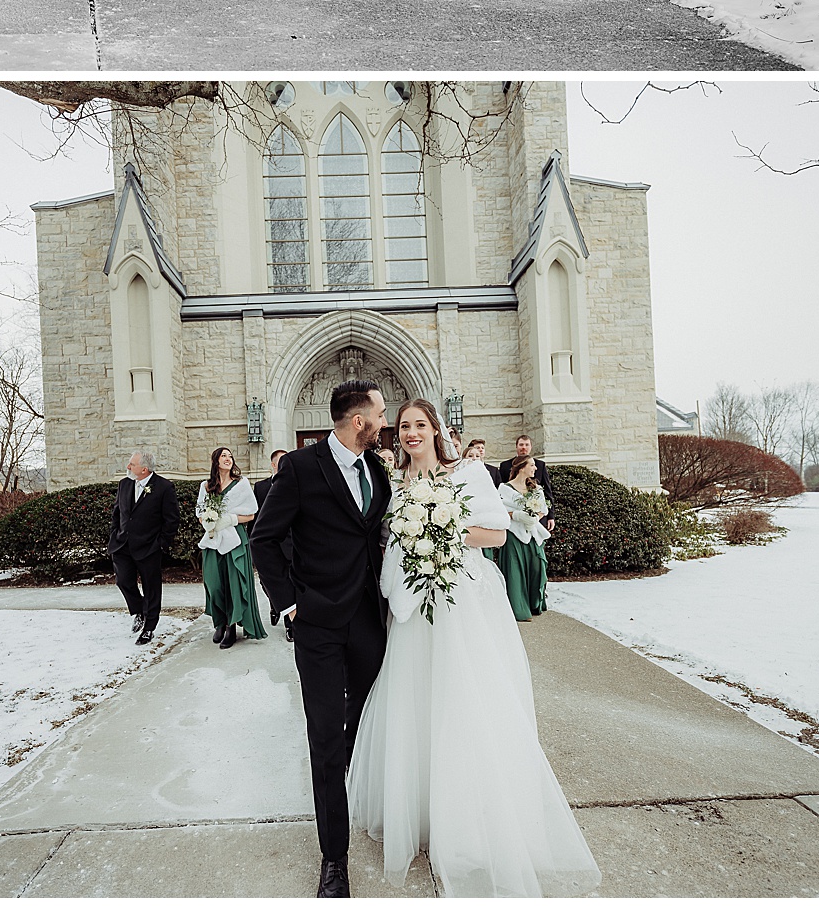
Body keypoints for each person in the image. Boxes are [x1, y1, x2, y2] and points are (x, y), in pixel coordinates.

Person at [346, 398, 598, 896]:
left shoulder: (468, 472)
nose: (411, 433)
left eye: (420, 425)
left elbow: (497, 535)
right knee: (416, 703)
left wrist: (442, 528)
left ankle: (467, 817)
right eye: (404, 426)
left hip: (461, 604)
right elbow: (389, 543)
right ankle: (420, 810)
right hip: (413, 609)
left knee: (463, 701)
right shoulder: (394, 485)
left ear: (436, 429)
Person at [250, 380, 394, 900]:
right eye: (381, 413)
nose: (385, 421)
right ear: (359, 421)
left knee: (365, 723)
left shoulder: (378, 470)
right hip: (318, 627)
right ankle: (334, 859)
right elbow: (263, 539)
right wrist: (290, 603)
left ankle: (348, 782)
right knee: (326, 737)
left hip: (371, 622)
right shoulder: (300, 468)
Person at [196, 446, 266, 649]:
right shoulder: (206, 486)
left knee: (233, 583)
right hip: (213, 539)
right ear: (215, 461)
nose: (228, 459)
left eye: (230, 456)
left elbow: (251, 514)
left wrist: (230, 519)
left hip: (235, 539)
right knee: (214, 583)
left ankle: (231, 627)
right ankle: (219, 621)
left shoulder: (241, 484)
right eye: (223, 456)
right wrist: (209, 522)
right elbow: (200, 513)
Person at [109, 450, 180, 646]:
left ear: (144, 469)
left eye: (132, 464)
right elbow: (117, 513)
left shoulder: (164, 487)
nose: (128, 467)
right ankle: (139, 610)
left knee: (152, 588)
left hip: (149, 547)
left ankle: (149, 627)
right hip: (122, 545)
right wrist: (115, 534)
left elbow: (172, 520)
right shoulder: (124, 484)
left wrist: (161, 544)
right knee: (123, 581)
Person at [494, 452, 552, 622]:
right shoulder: (504, 489)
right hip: (513, 534)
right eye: (532, 465)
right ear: (521, 468)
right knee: (515, 570)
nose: (535, 468)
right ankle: (518, 608)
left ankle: (534, 603)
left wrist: (534, 517)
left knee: (537, 567)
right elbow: (499, 511)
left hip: (532, 533)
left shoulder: (536, 489)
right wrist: (517, 515)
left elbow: (543, 509)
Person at [253, 449, 295, 636]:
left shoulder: (296, 483)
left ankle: (290, 625)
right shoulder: (260, 487)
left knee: (290, 581)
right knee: (266, 581)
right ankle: (274, 604)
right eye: (281, 461)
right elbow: (256, 518)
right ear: (273, 464)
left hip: (290, 543)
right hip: (268, 544)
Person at [496, 436, 555, 539]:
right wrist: (517, 515)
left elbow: (547, 491)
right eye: (521, 444)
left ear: (531, 447)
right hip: (513, 523)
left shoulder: (540, 465)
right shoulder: (505, 466)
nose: (524, 447)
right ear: (516, 447)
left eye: (527, 445)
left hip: (536, 519)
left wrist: (550, 516)